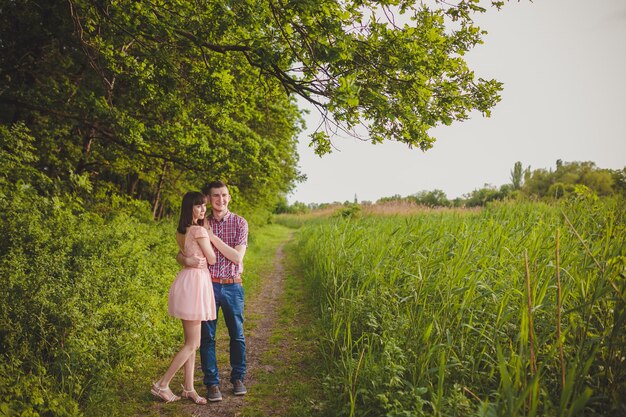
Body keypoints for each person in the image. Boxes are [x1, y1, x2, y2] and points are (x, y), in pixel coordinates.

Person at [177, 180, 248, 402]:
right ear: (209, 198)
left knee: (237, 334)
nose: (221, 200)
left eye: (224, 195)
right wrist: (184, 258)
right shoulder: (200, 220)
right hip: (207, 285)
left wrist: (211, 237)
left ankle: (237, 378)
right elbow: (182, 248)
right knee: (207, 337)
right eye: (216, 196)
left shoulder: (239, 223)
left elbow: (237, 257)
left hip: (233, 284)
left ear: (230, 197)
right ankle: (212, 383)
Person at [151, 191, 217, 405]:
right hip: (195, 284)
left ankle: (189, 388)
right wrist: (208, 236)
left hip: (187, 281)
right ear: (189, 207)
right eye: (198, 206)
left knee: (192, 342)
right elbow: (213, 259)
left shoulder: (182, 231)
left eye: (203, 206)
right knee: (192, 343)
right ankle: (162, 384)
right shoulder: (199, 230)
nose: (203, 209)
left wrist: (187, 258)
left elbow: (182, 254)